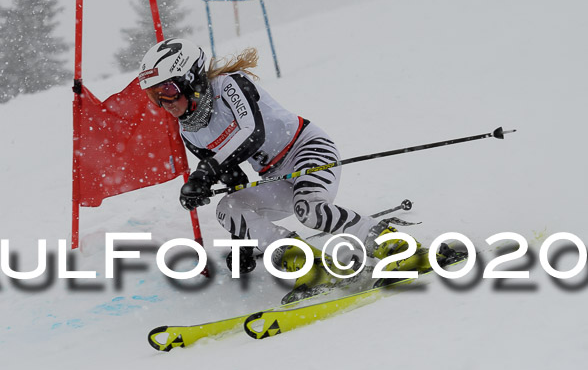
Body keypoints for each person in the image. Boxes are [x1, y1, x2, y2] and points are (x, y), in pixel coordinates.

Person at [138, 38, 435, 296]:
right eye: (154, 95)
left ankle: (396, 247)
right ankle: (311, 266)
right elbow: (235, 178)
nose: (164, 102)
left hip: (308, 149)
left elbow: (252, 133)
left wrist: (205, 171)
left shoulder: (229, 85)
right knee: (227, 208)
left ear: (191, 78)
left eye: (167, 89)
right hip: (276, 176)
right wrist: (242, 243)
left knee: (310, 211)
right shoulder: (189, 130)